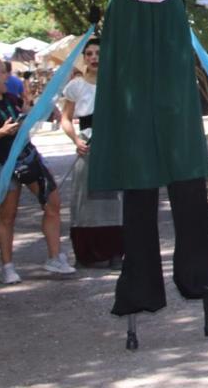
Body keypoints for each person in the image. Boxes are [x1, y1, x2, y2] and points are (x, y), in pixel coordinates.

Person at [86, 0, 208, 333]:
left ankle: (197, 278)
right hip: (128, 12)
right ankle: (140, 284)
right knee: (133, 106)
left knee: (173, 103)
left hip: (165, 12)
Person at [0, 57, 75, 284]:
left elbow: (30, 111)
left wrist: (44, 110)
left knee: (52, 202)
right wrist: (1, 132)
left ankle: (55, 257)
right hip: (0, 165)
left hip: (28, 159)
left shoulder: (11, 100)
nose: (7, 76)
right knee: (8, 215)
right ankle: (8, 267)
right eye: (2, 72)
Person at [59, 39, 123, 268]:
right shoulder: (76, 86)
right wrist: (76, 140)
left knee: (114, 198)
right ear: (84, 58)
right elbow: (65, 119)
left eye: (98, 53)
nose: (94, 57)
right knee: (84, 198)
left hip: (112, 145)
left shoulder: (116, 82)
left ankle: (116, 251)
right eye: (89, 54)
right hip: (87, 144)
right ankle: (86, 252)